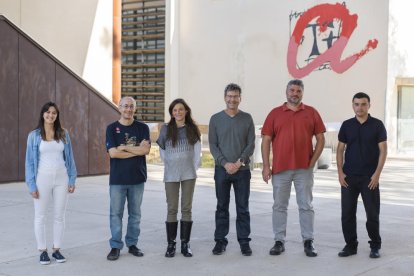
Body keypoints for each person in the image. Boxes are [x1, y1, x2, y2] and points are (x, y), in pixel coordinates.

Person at [261, 79, 325, 257]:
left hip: (304, 169)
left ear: (302, 93)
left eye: (298, 91)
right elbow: (266, 141)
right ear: (286, 91)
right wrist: (266, 166)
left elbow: (321, 139)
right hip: (280, 169)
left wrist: (312, 162)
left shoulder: (311, 112)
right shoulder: (275, 113)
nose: (294, 94)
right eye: (292, 90)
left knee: (306, 206)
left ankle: (308, 241)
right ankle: (279, 241)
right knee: (279, 206)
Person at [25, 102, 77, 265]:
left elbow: (70, 157)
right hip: (42, 179)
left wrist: (72, 179)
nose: (50, 115)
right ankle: (42, 251)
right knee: (40, 216)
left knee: (59, 216)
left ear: (57, 116)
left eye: (54, 113)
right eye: (47, 112)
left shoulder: (63, 133)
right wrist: (31, 185)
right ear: (43, 114)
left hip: (62, 179)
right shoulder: (34, 135)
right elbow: (29, 162)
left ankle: (56, 250)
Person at [336, 92, 387, 259]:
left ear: (369, 105)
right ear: (353, 105)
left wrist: (377, 175)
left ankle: (375, 246)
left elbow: (383, 150)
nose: (360, 107)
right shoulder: (347, 125)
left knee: (372, 214)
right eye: (357, 104)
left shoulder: (377, 125)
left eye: (363, 104)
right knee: (347, 214)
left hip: (369, 178)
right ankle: (350, 245)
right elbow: (340, 150)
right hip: (349, 177)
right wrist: (340, 173)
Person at [209, 83, 255, 256]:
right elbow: (213, 145)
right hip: (222, 170)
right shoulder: (215, 119)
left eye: (235, 96)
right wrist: (225, 163)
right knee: (222, 206)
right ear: (224, 97)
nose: (232, 99)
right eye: (229, 96)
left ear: (240, 98)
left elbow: (251, 144)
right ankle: (220, 241)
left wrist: (239, 162)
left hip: (242, 171)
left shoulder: (247, 118)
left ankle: (244, 242)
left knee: (242, 207)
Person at [105, 96, 151, 261]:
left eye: (131, 106)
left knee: (135, 214)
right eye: (125, 106)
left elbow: (145, 151)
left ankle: (132, 244)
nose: (128, 109)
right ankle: (115, 246)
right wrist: (135, 149)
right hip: (118, 179)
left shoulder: (142, 128)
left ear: (135, 109)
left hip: (137, 178)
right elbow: (113, 153)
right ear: (119, 107)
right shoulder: (111, 129)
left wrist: (124, 147)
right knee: (115, 214)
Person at [156, 98, 201, 258]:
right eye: (174, 110)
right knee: (172, 208)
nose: (178, 112)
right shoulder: (166, 129)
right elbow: (161, 150)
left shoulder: (192, 129)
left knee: (186, 208)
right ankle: (171, 245)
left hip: (189, 173)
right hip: (171, 174)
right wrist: (170, 163)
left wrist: (192, 167)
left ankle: (185, 244)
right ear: (172, 113)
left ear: (186, 111)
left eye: (180, 109)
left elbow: (197, 151)